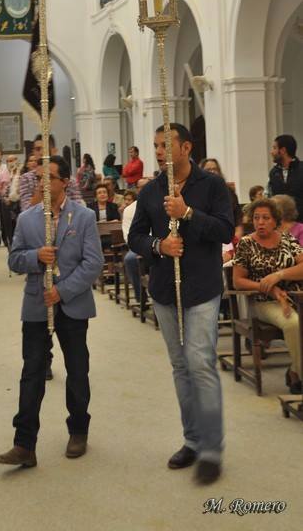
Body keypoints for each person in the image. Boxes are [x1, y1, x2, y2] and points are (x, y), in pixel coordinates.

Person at [128, 123, 234, 485]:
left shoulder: (213, 186)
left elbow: (225, 231)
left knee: (200, 363)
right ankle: (192, 440)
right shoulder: (151, 190)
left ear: (186, 147)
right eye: (155, 145)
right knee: (180, 366)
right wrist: (159, 246)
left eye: (164, 145)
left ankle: (211, 450)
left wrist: (188, 213)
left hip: (202, 287)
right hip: (164, 288)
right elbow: (135, 236)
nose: (158, 152)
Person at [0, 156, 104, 467]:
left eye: (49, 178)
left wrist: (62, 290)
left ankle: (78, 430)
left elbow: (93, 263)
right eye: (39, 178)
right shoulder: (27, 219)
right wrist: (36, 257)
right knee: (32, 372)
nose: (42, 183)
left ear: (65, 182)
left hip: (72, 304)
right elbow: (14, 260)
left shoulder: (83, 217)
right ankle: (24, 444)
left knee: (77, 370)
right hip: (37, 304)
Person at [233, 198, 303, 394]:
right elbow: (238, 281)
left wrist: (278, 275)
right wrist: (268, 288)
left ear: (276, 221)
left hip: (294, 297)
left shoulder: (287, 239)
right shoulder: (246, 243)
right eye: (256, 218)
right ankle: (299, 376)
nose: (260, 222)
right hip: (262, 302)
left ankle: (295, 370)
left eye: (266, 218)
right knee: (293, 323)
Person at [122, 178, 151, 302]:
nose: (144, 189)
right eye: (141, 187)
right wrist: (143, 246)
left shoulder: (161, 204)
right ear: (137, 190)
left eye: (147, 186)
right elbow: (128, 234)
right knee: (130, 259)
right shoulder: (129, 210)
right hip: (138, 246)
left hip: (159, 244)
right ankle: (141, 296)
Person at [199, 158, 242, 229]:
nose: (212, 172)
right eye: (208, 170)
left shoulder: (229, 191)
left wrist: (237, 231)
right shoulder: (198, 192)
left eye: (215, 169)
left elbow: (237, 217)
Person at [268, 134, 303, 221]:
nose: (271, 152)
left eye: (274, 148)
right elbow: (271, 196)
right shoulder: (273, 173)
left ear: (283, 150)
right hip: (281, 222)